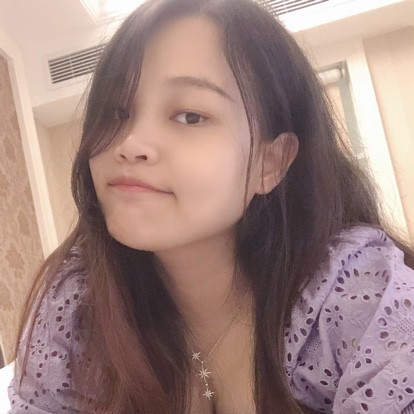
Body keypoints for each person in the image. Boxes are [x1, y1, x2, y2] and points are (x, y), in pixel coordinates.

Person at [8, 0, 414, 412]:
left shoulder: (356, 295)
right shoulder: (78, 310)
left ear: (270, 162)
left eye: (189, 116)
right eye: (117, 112)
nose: (129, 144)